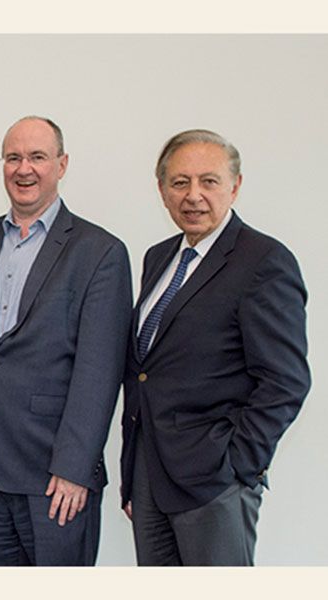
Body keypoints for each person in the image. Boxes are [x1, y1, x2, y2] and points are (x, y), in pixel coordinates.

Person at [120, 129, 309, 566]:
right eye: (180, 182)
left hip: (215, 481)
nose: (194, 195)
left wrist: (238, 465)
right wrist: (137, 477)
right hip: (151, 477)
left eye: (209, 181)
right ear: (162, 190)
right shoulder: (159, 257)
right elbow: (146, 370)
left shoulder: (263, 261)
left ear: (235, 186)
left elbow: (286, 381)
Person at [0, 116, 131, 565]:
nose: (23, 169)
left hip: (55, 476)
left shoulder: (100, 252)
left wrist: (74, 469)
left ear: (62, 164)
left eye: (37, 157)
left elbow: (99, 371)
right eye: (13, 157)